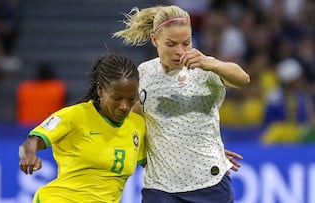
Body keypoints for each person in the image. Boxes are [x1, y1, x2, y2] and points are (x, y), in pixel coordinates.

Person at [113, 5, 250, 203]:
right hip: (161, 188)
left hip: (209, 183)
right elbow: (135, 121)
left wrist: (211, 63)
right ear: (155, 40)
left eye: (186, 43)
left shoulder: (204, 66)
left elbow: (243, 79)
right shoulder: (144, 74)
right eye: (171, 44)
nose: (180, 51)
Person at [18, 53, 147, 202]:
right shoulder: (76, 116)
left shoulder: (137, 125)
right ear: (100, 90)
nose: (124, 106)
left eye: (131, 99)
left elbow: (153, 167)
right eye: (116, 98)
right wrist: (29, 155)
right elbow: (33, 141)